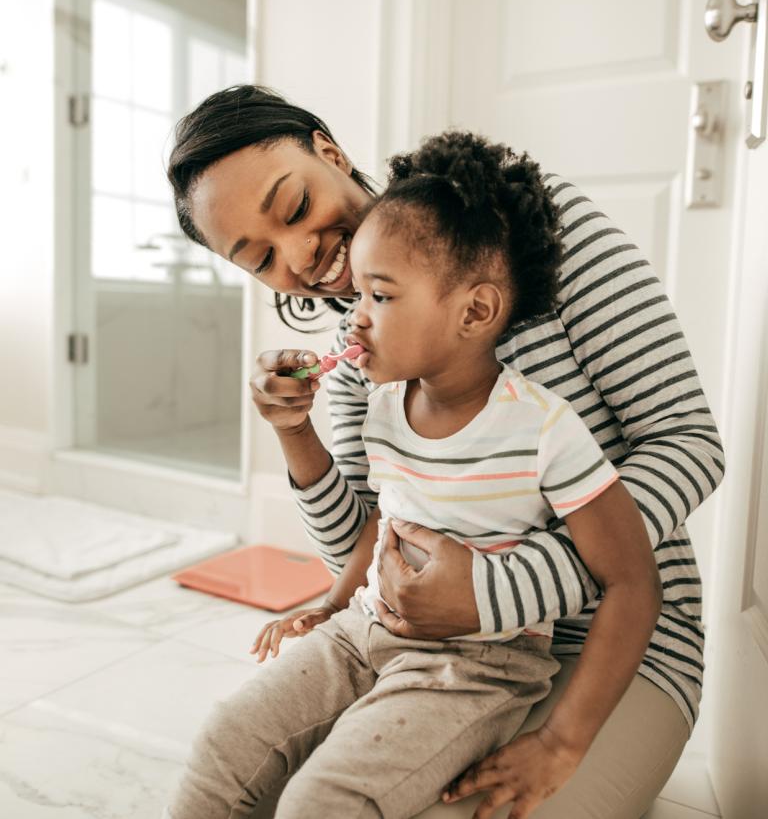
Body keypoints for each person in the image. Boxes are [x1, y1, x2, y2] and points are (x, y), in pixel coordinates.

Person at [164, 86, 724, 818]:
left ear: (328, 152)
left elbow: (688, 439)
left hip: (619, 643)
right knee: (242, 768)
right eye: (261, 257)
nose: (300, 255)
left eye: (295, 208)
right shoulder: (359, 357)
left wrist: (505, 589)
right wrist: (294, 436)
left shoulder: (526, 235)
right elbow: (372, 552)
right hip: (419, 647)